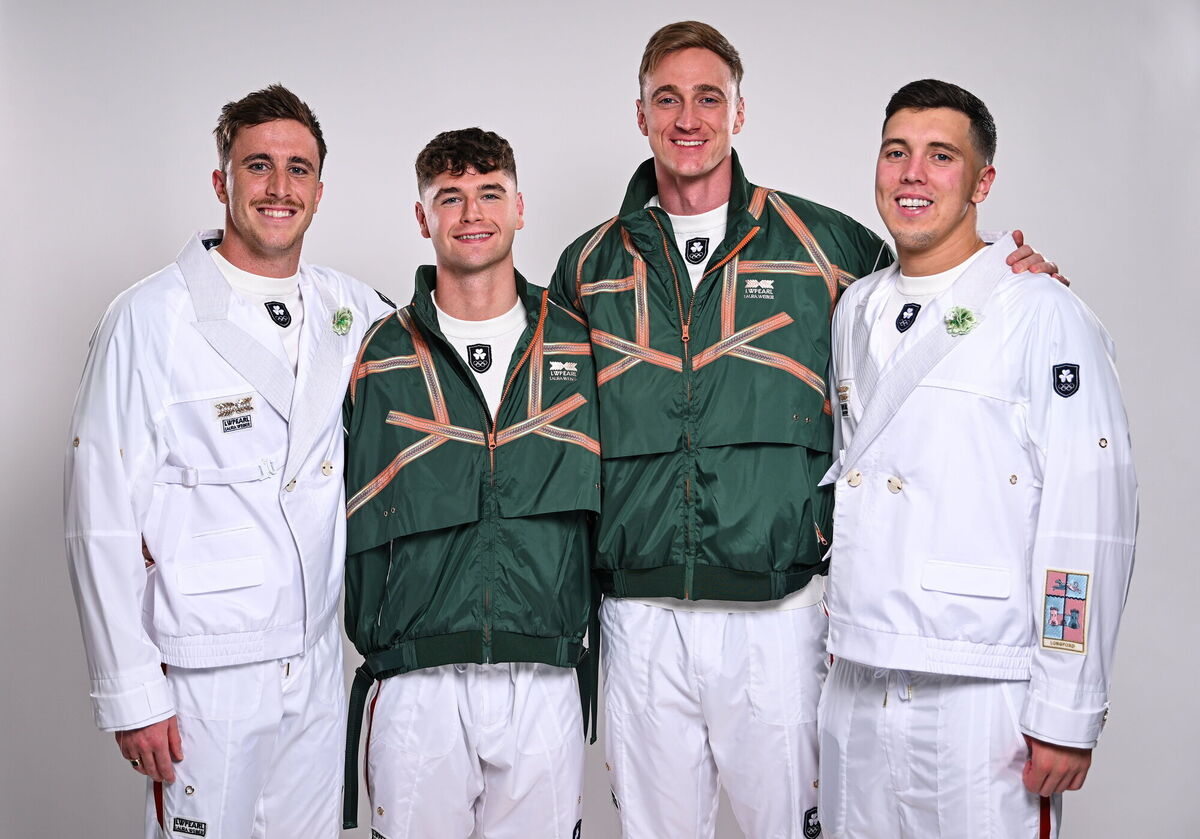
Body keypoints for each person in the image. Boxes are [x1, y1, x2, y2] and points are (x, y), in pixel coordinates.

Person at [549, 21, 1059, 839]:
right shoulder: (588, 266)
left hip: (781, 614)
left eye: (709, 98)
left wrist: (1006, 272)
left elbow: (928, 292)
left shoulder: (824, 244)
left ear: (739, 112)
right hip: (638, 616)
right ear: (640, 114)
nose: (688, 118)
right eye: (667, 99)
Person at [64, 84, 393, 838]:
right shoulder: (148, 318)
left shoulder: (354, 311)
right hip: (204, 671)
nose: (280, 187)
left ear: (319, 190)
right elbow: (99, 515)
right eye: (258, 166)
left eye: (299, 169)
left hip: (315, 659)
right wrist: (132, 693)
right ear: (222, 181)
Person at [818, 78, 1137, 838]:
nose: (913, 174)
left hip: (982, 688)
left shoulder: (1041, 311)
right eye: (896, 152)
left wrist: (1066, 706)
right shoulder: (855, 308)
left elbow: (1088, 515)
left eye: (941, 156)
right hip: (859, 672)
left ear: (982, 182)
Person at [341, 128, 600, 839]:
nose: (471, 213)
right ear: (421, 217)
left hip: (545, 677)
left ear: (520, 207)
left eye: (489, 193)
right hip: (414, 684)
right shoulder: (375, 351)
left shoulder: (577, 341)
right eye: (449, 198)